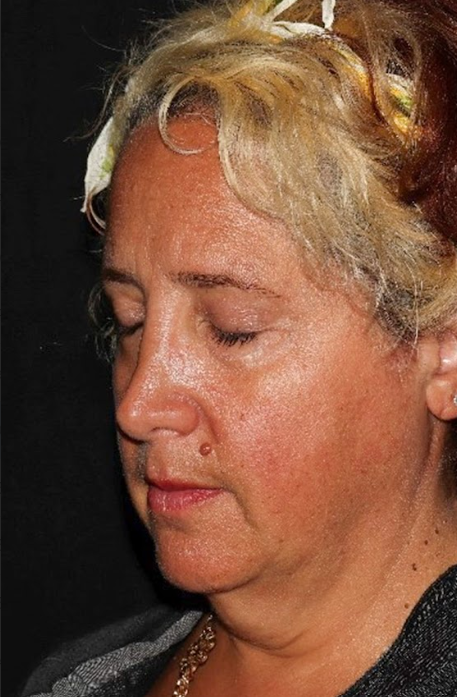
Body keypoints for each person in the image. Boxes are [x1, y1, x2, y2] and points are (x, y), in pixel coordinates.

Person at [22, 0, 457, 695]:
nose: (137, 406)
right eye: (130, 321)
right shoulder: (79, 677)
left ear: (443, 346)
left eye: (233, 328)